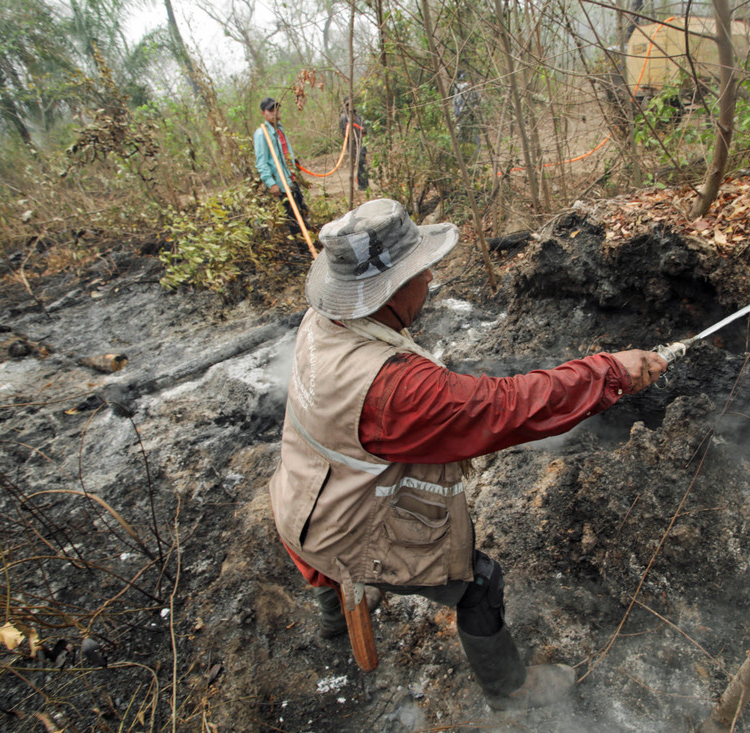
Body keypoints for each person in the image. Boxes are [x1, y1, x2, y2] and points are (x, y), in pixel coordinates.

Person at [268, 198, 668, 711]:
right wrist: (608, 371)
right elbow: (506, 408)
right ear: (387, 290)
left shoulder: (322, 321)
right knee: (479, 584)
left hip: (296, 500)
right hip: (339, 529)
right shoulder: (396, 389)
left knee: (326, 553)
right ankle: (511, 691)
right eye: (421, 270)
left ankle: (335, 621)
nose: (431, 278)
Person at [253, 96, 309, 242]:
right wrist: (271, 183)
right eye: (270, 110)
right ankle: (305, 248)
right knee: (295, 219)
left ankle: (309, 240)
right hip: (281, 182)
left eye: (276, 109)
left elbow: (284, 153)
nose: (274, 112)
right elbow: (261, 162)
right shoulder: (262, 134)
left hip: (291, 178)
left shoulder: (279, 130)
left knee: (302, 211)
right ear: (263, 113)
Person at [337, 97, 369, 190]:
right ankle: (361, 185)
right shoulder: (344, 118)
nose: (349, 106)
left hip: (361, 143)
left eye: (350, 104)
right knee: (359, 162)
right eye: (347, 105)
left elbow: (365, 131)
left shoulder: (358, 117)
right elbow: (344, 133)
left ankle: (364, 184)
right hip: (352, 145)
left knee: (363, 163)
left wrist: (363, 130)